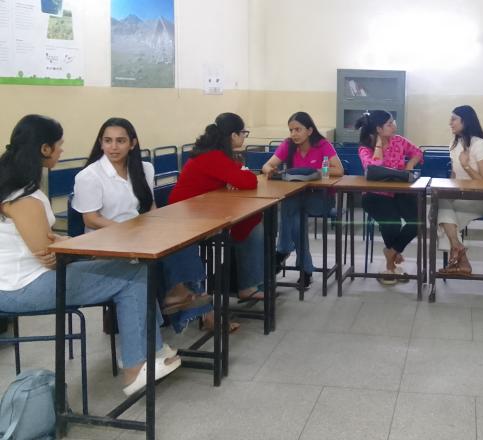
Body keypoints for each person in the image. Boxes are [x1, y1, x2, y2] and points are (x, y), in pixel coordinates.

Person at [0, 115, 180, 396]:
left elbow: (49, 245)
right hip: (24, 286)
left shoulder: (17, 188)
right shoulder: (25, 198)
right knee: (133, 275)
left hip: (21, 280)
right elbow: (47, 255)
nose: (61, 150)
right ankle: (136, 368)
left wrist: (61, 244)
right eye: (58, 145)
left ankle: (150, 350)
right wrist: (63, 247)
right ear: (45, 149)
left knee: (136, 270)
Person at [72, 117, 210, 316]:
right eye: (108, 141)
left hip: (138, 233)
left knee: (181, 238)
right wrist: (129, 230)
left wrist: (155, 226)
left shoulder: (144, 169)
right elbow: (91, 219)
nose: (113, 147)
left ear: (132, 143)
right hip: (106, 239)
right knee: (164, 250)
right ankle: (189, 302)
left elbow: (150, 205)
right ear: (100, 143)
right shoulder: (89, 176)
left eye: (120, 141)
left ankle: (181, 297)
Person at [168, 112, 261, 330]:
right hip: (182, 217)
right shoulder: (214, 157)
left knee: (254, 219)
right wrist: (236, 177)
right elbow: (248, 180)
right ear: (233, 135)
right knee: (190, 252)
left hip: (197, 213)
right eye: (243, 133)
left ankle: (241, 287)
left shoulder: (214, 155)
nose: (244, 137)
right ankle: (207, 313)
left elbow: (236, 178)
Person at [261, 112, 343, 288]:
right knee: (295, 216)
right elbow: (267, 165)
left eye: (298, 129)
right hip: (297, 198)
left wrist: (317, 172)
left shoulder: (322, 145)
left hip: (321, 199)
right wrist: (270, 170)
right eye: (291, 130)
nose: (294, 134)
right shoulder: (288, 145)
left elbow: (339, 170)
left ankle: (282, 250)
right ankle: (305, 268)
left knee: (289, 207)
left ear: (310, 130)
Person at [355, 110, 422, 283]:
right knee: (392, 222)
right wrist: (378, 146)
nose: (394, 126)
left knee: (417, 221)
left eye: (394, 122)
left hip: (399, 192)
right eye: (389, 124)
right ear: (379, 129)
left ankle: (391, 252)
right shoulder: (365, 148)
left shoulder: (399, 141)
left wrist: (409, 164)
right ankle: (391, 265)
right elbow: (373, 168)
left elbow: (418, 153)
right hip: (374, 196)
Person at [436, 106, 483, 275]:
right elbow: (454, 175)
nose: (450, 123)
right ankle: (459, 251)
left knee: (440, 215)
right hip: (461, 197)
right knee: (438, 207)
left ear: (465, 121)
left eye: (454, 119)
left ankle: (459, 256)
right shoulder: (454, 144)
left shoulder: (481, 144)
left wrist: (466, 165)